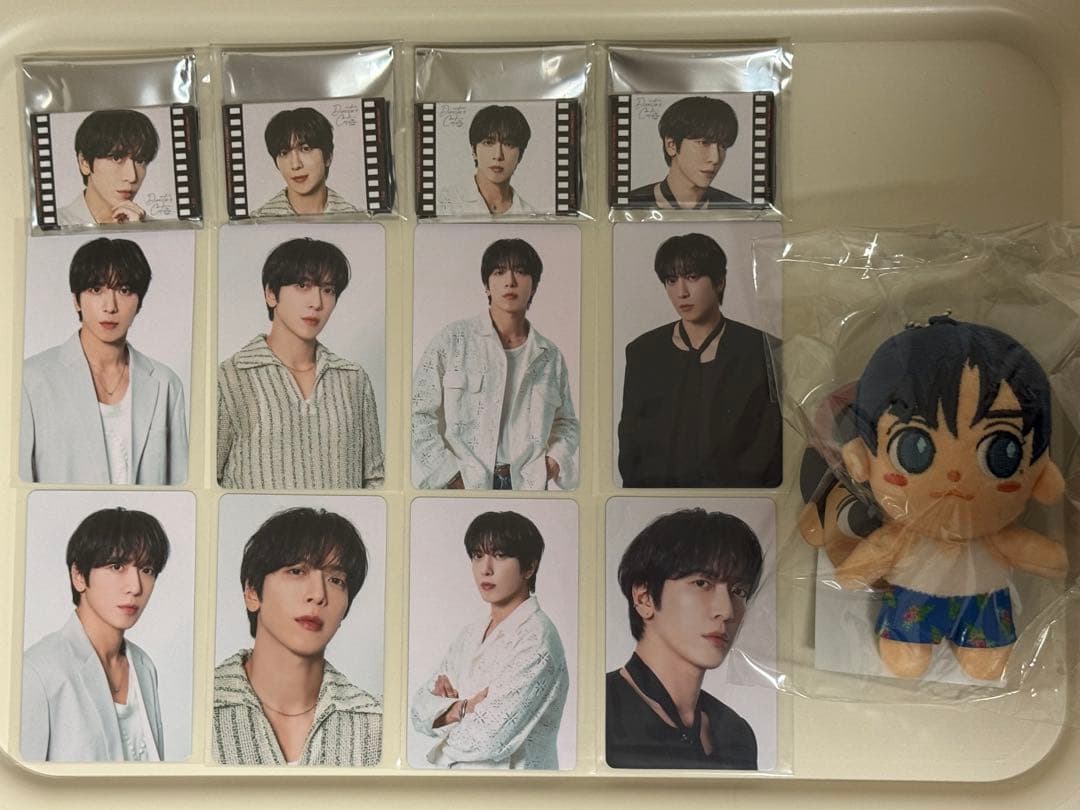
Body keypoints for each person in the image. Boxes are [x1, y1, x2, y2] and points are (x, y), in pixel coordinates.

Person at [838, 316, 1068, 680]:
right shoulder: (905, 537)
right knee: (906, 658)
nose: (955, 476)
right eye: (914, 448)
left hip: (982, 601)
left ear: (1041, 474)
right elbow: (867, 561)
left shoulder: (994, 537)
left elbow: (1044, 558)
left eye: (1002, 452)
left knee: (985, 664)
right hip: (915, 596)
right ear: (861, 459)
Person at [212, 507, 382, 766]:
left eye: (336, 580)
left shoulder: (375, 724)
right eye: (297, 571)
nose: (318, 594)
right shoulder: (200, 707)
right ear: (252, 592)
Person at [411, 238, 579, 490]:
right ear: (486, 285)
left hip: (528, 487)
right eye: (499, 272)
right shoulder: (453, 340)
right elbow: (417, 413)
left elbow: (567, 422)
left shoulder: (549, 356)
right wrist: (451, 476)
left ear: (534, 286)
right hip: (464, 484)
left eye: (520, 271)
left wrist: (554, 460)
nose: (510, 281)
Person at [217, 237, 384, 489]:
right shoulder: (229, 378)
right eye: (303, 285)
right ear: (271, 294)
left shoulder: (353, 379)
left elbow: (374, 479)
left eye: (328, 290)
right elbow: (210, 481)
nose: (317, 303)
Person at [618, 232, 781, 488]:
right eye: (671, 280)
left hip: (741, 498)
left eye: (692, 277)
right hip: (655, 498)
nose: (681, 292)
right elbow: (631, 444)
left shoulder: (762, 349)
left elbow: (770, 447)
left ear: (719, 282)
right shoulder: (643, 352)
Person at [20, 237, 188, 485]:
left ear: (139, 302)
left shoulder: (165, 384)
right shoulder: (31, 379)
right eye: (96, 290)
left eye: (124, 290)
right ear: (76, 300)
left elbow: (180, 484)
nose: (110, 306)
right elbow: (19, 487)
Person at [606, 508, 763, 770]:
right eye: (702, 583)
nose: (727, 611)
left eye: (739, 591)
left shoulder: (737, 733)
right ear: (644, 598)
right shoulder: (601, 710)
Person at [411, 511, 568, 769]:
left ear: (529, 567)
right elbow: (418, 712)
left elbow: (486, 740)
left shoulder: (536, 638)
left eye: (500, 555)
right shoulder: (470, 634)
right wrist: (464, 708)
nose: (485, 569)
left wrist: (443, 714)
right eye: (477, 555)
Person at [22, 507, 171, 762]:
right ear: (79, 576)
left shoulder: (143, 666)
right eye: (117, 566)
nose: (135, 587)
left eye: (146, 570)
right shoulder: (37, 672)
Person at [627, 96, 744, 210]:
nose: (715, 159)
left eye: (723, 146)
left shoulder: (739, 208)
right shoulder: (630, 202)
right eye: (704, 143)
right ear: (671, 145)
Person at [251, 107, 359, 217]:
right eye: (284, 153)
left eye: (306, 149)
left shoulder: (358, 219)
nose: (295, 165)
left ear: (328, 157)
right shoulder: (256, 221)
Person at [59, 109, 160, 226]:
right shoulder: (55, 225)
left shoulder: (155, 229)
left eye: (140, 160)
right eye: (116, 158)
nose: (132, 177)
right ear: (84, 162)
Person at [438, 105, 537, 216]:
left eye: (509, 144)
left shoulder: (530, 216)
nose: (498, 155)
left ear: (520, 155)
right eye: (488, 142)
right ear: (474, 150)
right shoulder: (444, 203)